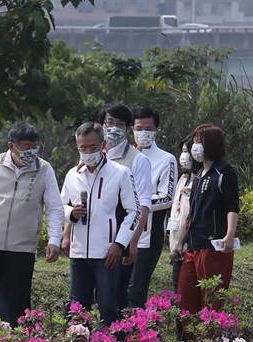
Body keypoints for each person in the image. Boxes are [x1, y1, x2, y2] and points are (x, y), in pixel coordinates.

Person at [0, 122, 63, 326]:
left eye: (33, 147)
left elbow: (54, 207)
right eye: (24, 147)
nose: (29, 152)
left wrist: (54, 240)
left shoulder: (44, 169)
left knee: (18, 307)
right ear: (11, 146)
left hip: (22, 250)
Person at [60, 122, 141, 326]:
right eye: (83, 148)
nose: (88, 152)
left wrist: (119, 244)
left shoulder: (120, 172)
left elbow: (134, 211)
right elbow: (59, 206)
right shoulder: (72, 175)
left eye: (93, 147)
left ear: (103, 145)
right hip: (79, 254)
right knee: (78, 310)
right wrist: (71, 212)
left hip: (107, 254)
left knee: (108, 307)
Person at [172, 124, 240, 317]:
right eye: (194, 142)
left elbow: (232, 207)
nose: (195, 147)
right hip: (193, 246)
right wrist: (179, 243)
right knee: (185, 301)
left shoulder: (224, 172)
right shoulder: (198, 175)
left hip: (213, 246)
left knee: (211, 302)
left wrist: (229, 235)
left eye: (199, 142)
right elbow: (191, 214)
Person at [98, 102, 152, 313]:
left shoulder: (138, 160)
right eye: (108, 123)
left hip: (120, 239)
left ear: (128, 128)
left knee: (114, 297)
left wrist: (133, 241)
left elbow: (143, 206)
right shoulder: (93, 155)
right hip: (94, 241)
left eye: (119, 124)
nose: (112, 129)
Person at [127, 105, 178, 308]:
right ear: (132, 129)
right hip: (121, 231)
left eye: (148, 128)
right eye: (139, 128)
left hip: (148, 234)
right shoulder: (123, 158)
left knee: (135, 288)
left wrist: (136, 203)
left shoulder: (166, 160)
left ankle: (134, 334)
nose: (143, 133)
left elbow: (166, 197)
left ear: (156, 129)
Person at [167, 134, 199, 292]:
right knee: (176, 288)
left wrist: (181, 243)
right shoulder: (183, 178)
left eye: (187, 151)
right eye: (183, 151)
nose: (184, 156)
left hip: (188, 245)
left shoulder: (199, 180)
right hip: (176, 247)